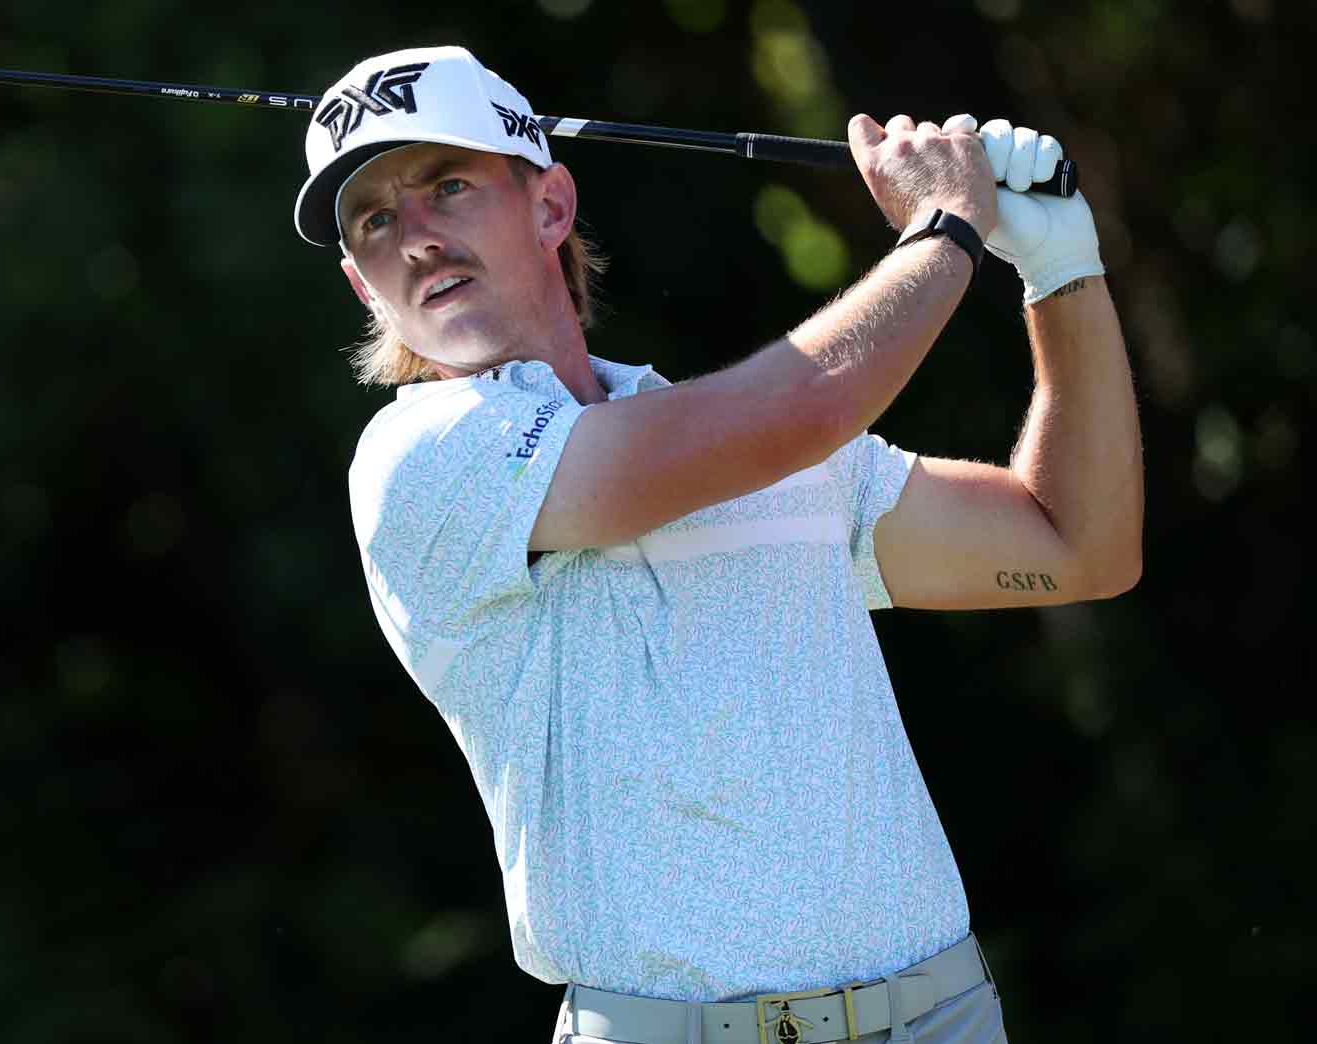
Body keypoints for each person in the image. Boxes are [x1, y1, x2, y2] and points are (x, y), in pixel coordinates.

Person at [292, 45, 1142, 1044]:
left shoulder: (759, 448)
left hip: (938, 1019)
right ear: (361, 284)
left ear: (549, 207)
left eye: (447, 186)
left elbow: (1079, 546)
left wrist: (1059, 271)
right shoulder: (417, 460)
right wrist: (945, 225)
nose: (418, 239)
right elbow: (798, 405)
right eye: (376, 220)